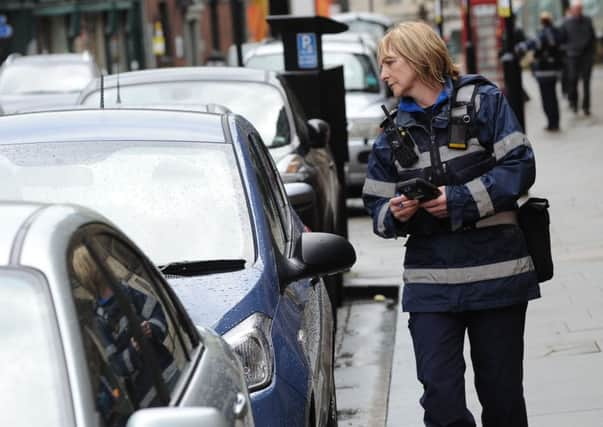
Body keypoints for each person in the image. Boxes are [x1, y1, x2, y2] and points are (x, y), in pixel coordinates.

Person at [363, 21, 540, 426]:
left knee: (503, 399)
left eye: (390, 62)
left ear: (419, 57)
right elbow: (375, 205)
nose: (384, 74)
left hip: (496, 276)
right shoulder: (391, 132)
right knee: (440, 401)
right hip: (431, 284)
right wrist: (394, 213)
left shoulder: (484, 102)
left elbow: (521, 166)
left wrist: (458, 200)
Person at [518, 11, 564, 131]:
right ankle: (555, 122)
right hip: (553, 70)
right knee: (553, 97)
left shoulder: (542, 33)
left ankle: (551, 123)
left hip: (543, 71)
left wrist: (521, 47)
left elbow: (533, 44)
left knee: (546, 98)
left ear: (542, 21)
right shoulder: (556, 32)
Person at [561, 0, 596, 115]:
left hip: (586, 57)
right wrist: (569, 50)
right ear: (572, 10)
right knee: (573, 80)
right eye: (576, 9)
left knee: (586, 82)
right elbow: (562, 41)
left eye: (580, 9)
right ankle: (574, 104)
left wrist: (592, 55)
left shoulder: (587, 20)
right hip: (572, 57)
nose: (578, 11)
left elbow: (592, 38)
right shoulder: (566, 23)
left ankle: (586, 107)